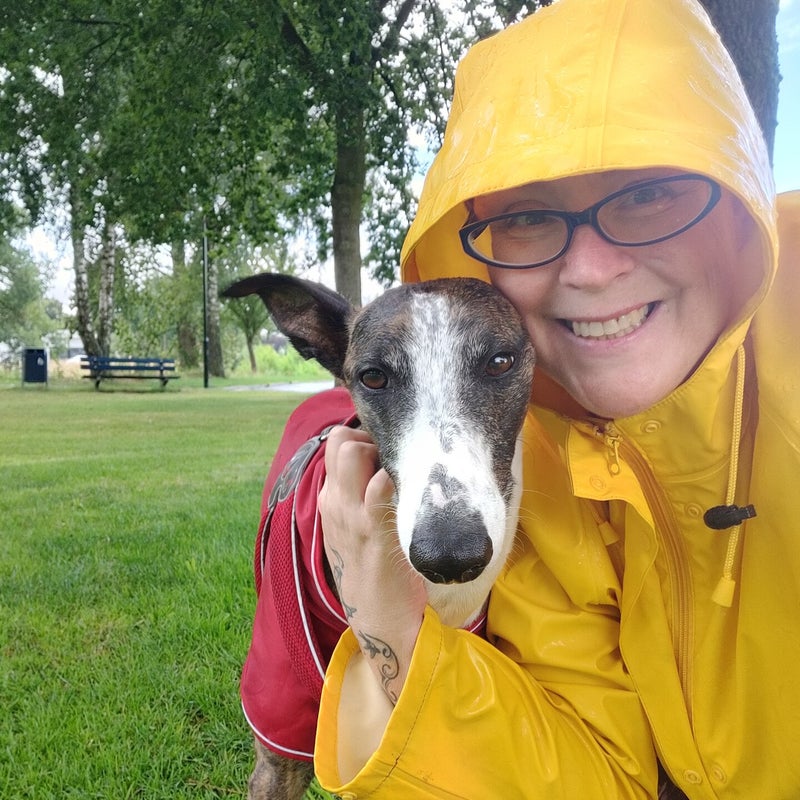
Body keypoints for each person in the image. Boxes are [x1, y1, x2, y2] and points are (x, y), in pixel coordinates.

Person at [309, 0, 800, 797]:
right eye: (532, 217)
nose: (594, 271)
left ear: (734, 193)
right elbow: (598, 774)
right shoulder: (528, 483)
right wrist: (395, 633)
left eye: (648, 193)